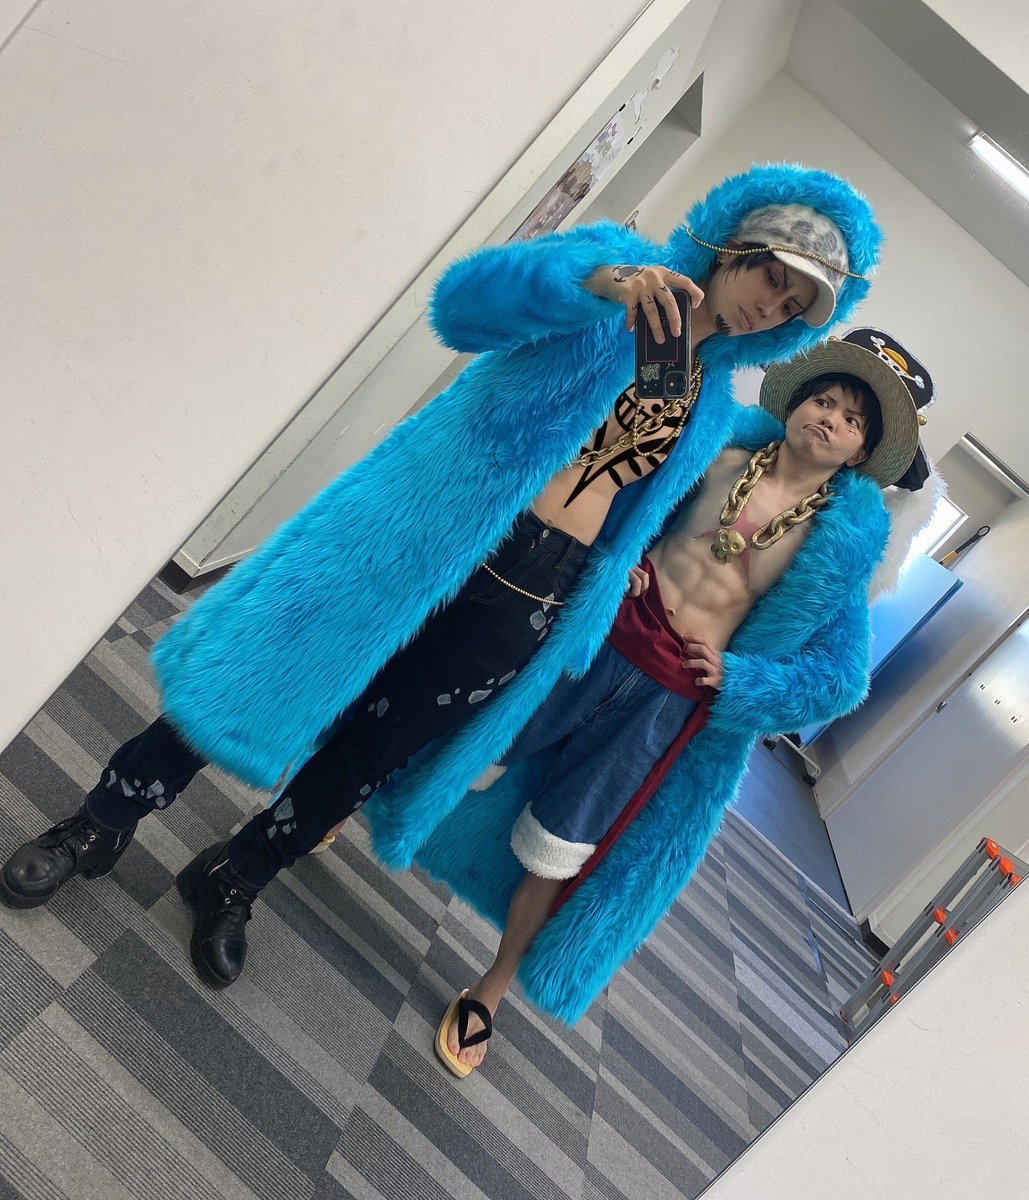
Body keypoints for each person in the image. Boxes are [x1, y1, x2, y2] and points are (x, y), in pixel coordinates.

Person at [1, 166, 881, 996]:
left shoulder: (715, 407)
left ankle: (238, 873)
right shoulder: (613, 270)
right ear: (735, 243)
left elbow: (634, 525)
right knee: (271, 672)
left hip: (535, 594)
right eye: (772, 275)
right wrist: (599, 283)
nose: (770, 304)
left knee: (374, 751)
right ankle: (102, 821)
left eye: (792, 306)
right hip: (430, 529)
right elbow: (461, 308)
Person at [434, 327, 936, 1075]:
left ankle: (492, 988)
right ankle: (349, 802)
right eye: (825, 400)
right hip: (599, 636)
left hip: (667, 700)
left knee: (563, 844)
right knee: (468, 732)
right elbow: (626, 492)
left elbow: (839, 679)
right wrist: (627, 556)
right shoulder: (720, 450)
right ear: (799, 401)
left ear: (861, 453)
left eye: (852, 419)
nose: (830, 418)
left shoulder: (834, 551)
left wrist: (742, 680)